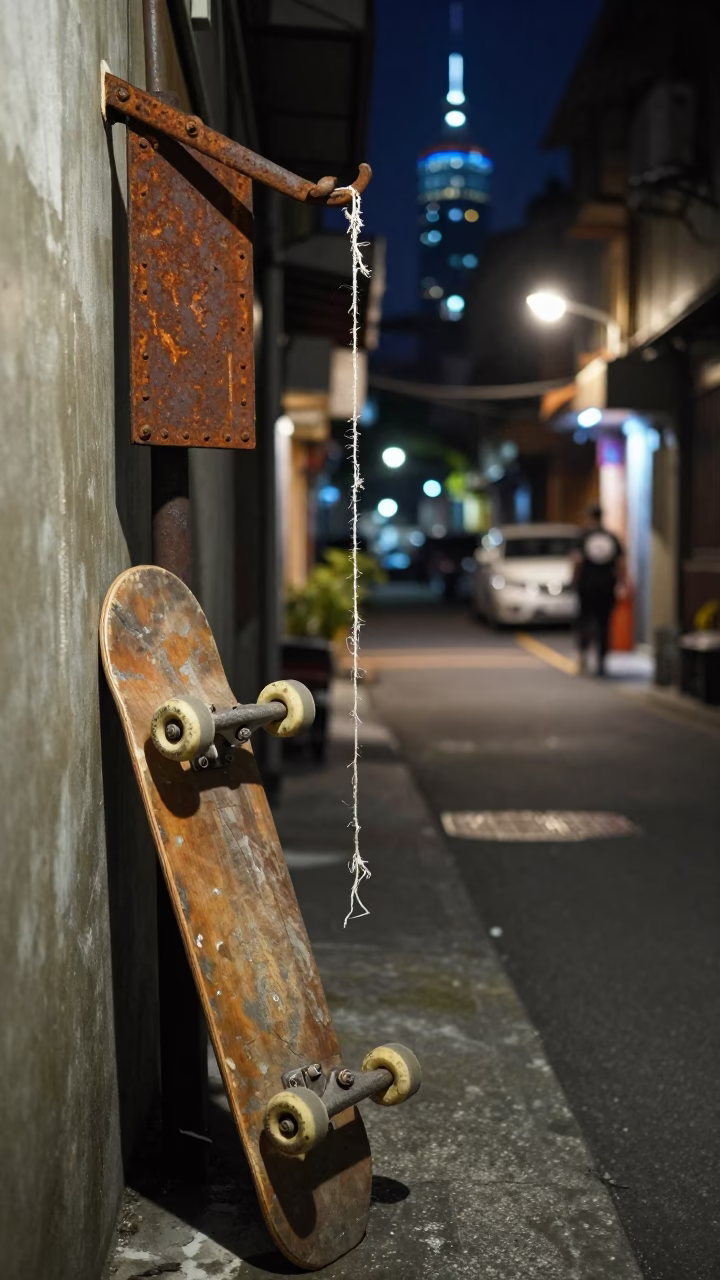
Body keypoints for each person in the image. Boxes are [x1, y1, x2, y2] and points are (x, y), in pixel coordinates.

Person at [572, 505, 626, 676]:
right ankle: (602, 661)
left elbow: (577, 561)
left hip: (586, 586)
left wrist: (573, 581)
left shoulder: (583, 537)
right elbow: (621, 563)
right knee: (604, 623)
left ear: (590, 517)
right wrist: (621, 583)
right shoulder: (611, 537)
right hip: (606, 586)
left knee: (584, 621)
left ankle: (583, 656)